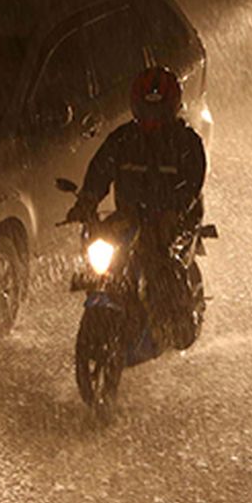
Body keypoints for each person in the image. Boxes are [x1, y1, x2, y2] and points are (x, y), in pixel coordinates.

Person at [66, 66, 207, 342]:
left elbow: (192, 184)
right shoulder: (122, 139)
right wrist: (87, 200)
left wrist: (173, 213)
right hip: (129, 216)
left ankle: (176, 315)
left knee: (161, 266)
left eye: (158, 108)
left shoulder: (186, 142)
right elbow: (100, 170)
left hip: (173, 218)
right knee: (98, 257)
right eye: (146, 107)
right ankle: (117, 299)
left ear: (172, 106)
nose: (152, 115)